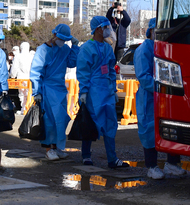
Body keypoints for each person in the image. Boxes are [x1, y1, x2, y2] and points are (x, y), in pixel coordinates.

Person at [134, 18, 186, 179]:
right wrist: (161, 87)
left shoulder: (163, 48)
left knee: (171, 128)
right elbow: (143, 76)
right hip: (149, 97)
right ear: (150, 31)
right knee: (149, 130)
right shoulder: (144, 50)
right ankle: (151, 166)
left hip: (164, 96)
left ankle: (172, 163)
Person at [77, 16, 130, 168]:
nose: (108, 30)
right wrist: (84, 91)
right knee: (90, 122)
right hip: (93, 91)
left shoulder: (107, 48)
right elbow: (83, 72)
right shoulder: (86, 48)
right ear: (98, 29)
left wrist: (113, 89)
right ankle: (86, 155)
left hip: (106, 90)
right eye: (106, 27)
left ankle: (112, 159)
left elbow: (111, 70)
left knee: (110, 124)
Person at [29, 24, 80, 160]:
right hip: (47, 89)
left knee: (62, 119)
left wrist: (75, 47)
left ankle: (57, 147)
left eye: (65, 39)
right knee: (49, 121)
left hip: (60, 89)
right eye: (61, 38)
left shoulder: (64, 49)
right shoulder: (43, 50)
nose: (62, 41)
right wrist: (37, 91)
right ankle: (48, 149)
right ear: (54, 35)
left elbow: (71, 63)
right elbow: (36, 72)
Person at [11, 42, 34, 114]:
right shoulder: (31, 56)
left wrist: (12, 76)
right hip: (30, 77)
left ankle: (23, 108)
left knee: (22, 94)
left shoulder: (18, 56)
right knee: (29, 93)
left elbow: (14, 67)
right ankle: (28, 107)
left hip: (21, 77)